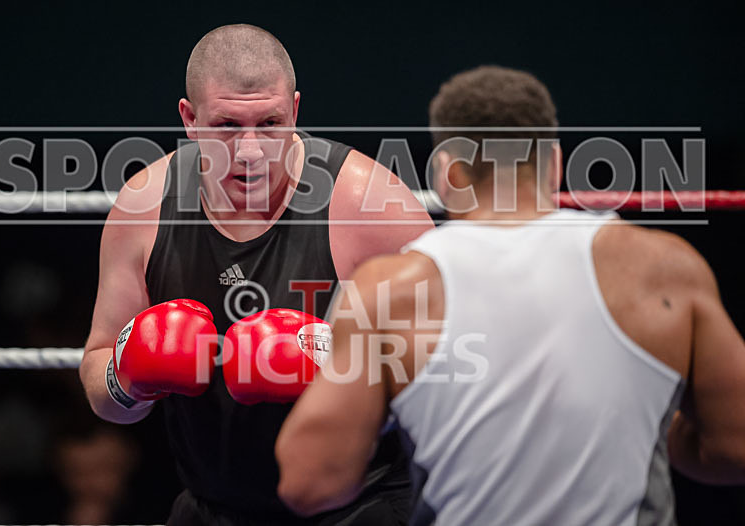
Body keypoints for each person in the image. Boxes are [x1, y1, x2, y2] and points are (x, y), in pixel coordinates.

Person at [276, 66, 745, 525]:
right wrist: (648, 424)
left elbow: (310, 482)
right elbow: (734, 447)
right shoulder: (665, 269)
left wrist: (392, 410)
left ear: (446, 174)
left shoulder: (392, 292)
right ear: (556, 164)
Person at [79, 24, 432, 525]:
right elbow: (99, 381)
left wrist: (335, 363)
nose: (250, 152)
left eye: (270, 122)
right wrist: (128, 377)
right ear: (190, 119)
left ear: (296, 111)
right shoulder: (143, 209)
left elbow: (455, 372)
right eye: (226, 125)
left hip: (360, 507)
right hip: (211, 506)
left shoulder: (374, 209)